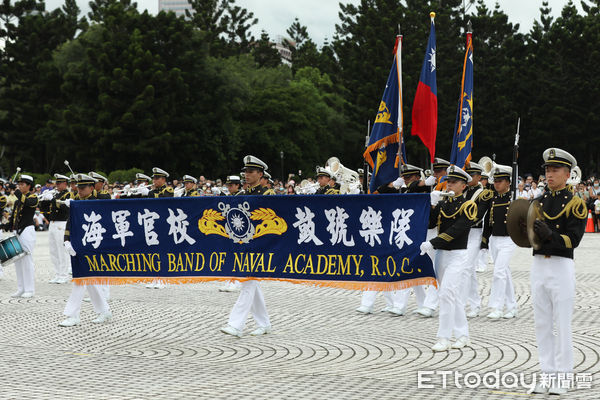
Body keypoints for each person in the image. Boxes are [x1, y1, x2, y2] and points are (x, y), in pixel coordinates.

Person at [529, 148, 587, 396]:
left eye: (554, 170)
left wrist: (550, 235)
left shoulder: (576, 203)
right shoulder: (538, 202)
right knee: (542, 324)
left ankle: (563, 378)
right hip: (539, 264)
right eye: (547, 170)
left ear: (567, 173)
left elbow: (573, 240)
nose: (549, 174)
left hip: (561, 266)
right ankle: (546, 374)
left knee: (561, 325)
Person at [419, 165, 477, 351]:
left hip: (458, 255)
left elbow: (457, 230)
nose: (449, 185)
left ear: (463, 186)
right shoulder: (444, 204)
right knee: (452, 295)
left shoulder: (468, 206)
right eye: (448, 182)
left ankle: (443, 337)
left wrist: (433, 242)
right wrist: (433, 204)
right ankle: (463, 335)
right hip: (442, 255)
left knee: (445, 295)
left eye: (454, 182)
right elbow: (429, 224)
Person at [221, 156, 274, 337]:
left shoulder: (268, 194)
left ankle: (235, 325)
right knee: (251, 283)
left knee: (248, 282)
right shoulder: (242, 195)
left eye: (251, 172)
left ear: (260, 174)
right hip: (244, 245)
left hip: (260, 245)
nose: (246, 175)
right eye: (245, 171)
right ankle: (264, 323)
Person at [60, 174, 111, 327]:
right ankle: (104, 310)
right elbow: (70, 222)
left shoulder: (100, 199)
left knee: (81, 279)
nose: (79, 190)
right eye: (78, 187)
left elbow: (106, 205)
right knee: (87, 279)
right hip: (78, 245)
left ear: (91, 187)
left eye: (83, 188)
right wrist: (67, 240)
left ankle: (72, 314)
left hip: (93, 245)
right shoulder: (77, 202)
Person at [481, 164, 518, 319]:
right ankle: (512, 306)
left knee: (499, 273)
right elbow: (488, 222)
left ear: (508, 183)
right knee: (504, 273)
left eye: (500, 181)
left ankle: (496, 307)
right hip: (495, 240)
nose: (497, 184)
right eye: (495, 181)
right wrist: (484, 241)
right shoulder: (493, 199)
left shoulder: (514, 199)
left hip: (509, 240)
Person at [462, 162, 493, 318]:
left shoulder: (484, 194)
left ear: (479, 177)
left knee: (467, 268)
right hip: (462, 233)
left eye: (472, 175)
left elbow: (478, 216)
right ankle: (474, 304)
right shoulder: (464, 191)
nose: (468, 178)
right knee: (467, 270)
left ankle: (467, 304)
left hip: (475, 232)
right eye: (467, 175)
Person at [1, 175, 38, 298]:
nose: (20, 186)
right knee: (17, 260)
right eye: (19, 184)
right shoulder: (17, 201)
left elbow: (26, 202)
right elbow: (14, 217)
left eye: (23, 184)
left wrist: (16, 192)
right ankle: (21, 288)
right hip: (17, 231)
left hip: (27, 230)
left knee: (27, 260)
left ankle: (30, 289)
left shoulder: (33, 198)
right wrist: (6, 226)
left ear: (29, 186)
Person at [38, 174, 72, 283]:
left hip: (61, 224)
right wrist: (43, 199)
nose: (56, 185)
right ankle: (58, 274)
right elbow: (45, 210)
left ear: (65, 184)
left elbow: (65, 208)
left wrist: (52, 199)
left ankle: (64, 275)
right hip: (53, 224)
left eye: (59, 183)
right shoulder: (56, 194)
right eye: (56, 183)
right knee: (53, 251)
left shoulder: (68, 194)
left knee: (62, 251)